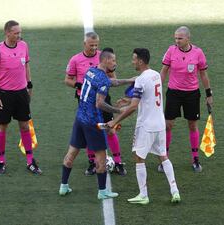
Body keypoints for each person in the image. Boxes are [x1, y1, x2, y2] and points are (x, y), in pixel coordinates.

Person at [107, 48, 181, 204]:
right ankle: (175, 191)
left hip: (146, 125)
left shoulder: (140, 79)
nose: (132, 62)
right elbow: (149, 96)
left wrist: (115, 121)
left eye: (134, 59)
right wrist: (128, 100)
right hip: (160, 123)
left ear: (140, 61)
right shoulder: (156, 75)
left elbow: (134, 107)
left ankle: (143, 195)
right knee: (163, 156)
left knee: (138, 157)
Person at [59, 51, 133, 199]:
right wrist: (119, 110)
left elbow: (112, 82)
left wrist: (130, 80)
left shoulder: (91, 71)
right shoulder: (103, 80)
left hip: (80, 118)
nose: (115, 63)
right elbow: (100, 103)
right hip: (93, 123)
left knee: (71, 153)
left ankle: (64, 186)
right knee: (101, 157)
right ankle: (102, 191)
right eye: (113, 61)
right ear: (105, 60)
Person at [64, 32, 126, 176]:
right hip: (85, 101)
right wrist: (79, 85)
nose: (94, 48)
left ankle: (118, 162)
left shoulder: (104, 58)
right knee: (90, 131)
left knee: (110, 129)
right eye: (91, 45)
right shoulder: (75, 60)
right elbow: (67, 79)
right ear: (84, 44)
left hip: (103, 98)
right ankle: (92, 162)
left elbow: (113, 78)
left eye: (96, 45)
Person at [0, 20, 42, 175]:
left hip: (21, 93)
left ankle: (30, 161)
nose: (20, 35)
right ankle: (1, 162)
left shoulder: (23, 46)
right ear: (7, 33)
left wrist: (29, 85)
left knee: (25, 126)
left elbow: (26, 66)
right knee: (2, 127)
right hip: (4, 94)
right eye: (16, 33)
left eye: (20, 32)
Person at [159, 26, 213, 173]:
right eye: (175, 38)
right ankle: (165, 159)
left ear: (188, 38)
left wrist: (209, 94)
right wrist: (156, 89)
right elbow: (164, 71)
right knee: (168, 125)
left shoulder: (198, 53)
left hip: (192, 94)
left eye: (180, 38)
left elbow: (203, 75)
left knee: (192, 126)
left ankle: (195, 159)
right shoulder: (171, 50)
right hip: (174, 93)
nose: (177, 41)